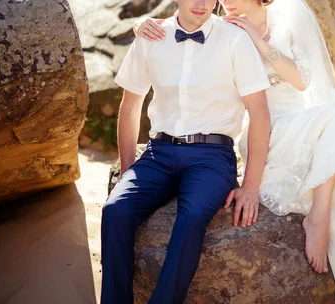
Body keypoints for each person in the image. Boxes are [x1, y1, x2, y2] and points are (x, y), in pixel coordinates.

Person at [133, 0, 335, 303]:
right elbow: (181, 27)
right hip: (263, 131)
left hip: (305, 122)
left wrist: (256, 38)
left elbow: (303, 81)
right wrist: (139, 26)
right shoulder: (222, 28)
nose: (225, 1)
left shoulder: (289, 13)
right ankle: (319, 220)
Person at [101, 0, 272, 302]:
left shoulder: (235, 40)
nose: (201, 3)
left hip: (212, 157)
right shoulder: (152, 36)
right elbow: (130, 108)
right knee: (115, 210)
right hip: (159, 153)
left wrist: (250, 187)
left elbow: (259, 112)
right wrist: (127, 171)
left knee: (191, 217)